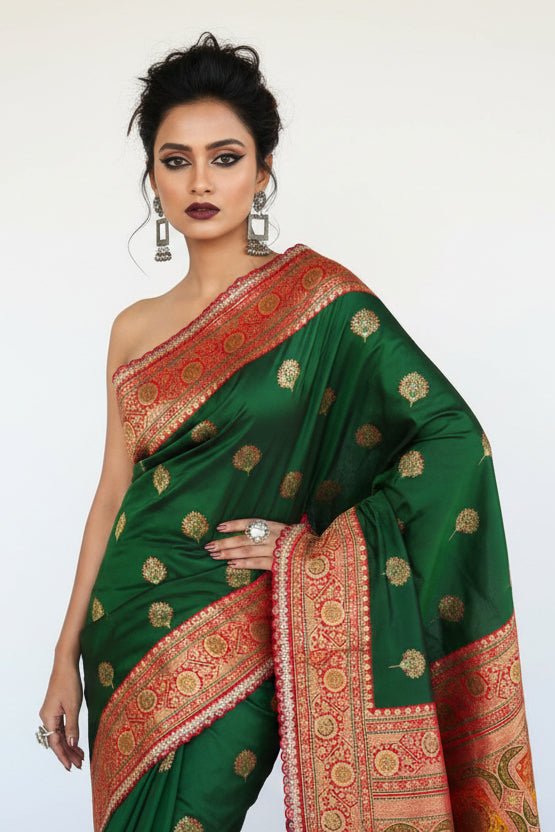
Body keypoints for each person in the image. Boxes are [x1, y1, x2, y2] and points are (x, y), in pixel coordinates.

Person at [37, 30, 541, 832]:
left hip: (239, 619)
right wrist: (63, 655)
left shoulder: (320, 301)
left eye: (225, 157)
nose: (200, 181)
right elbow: (112, 495)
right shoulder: (132, 328)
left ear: (262, 170)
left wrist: (307, 547)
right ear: (152, 177)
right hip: (123, 628)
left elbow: (452, 438)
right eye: (176, 160)